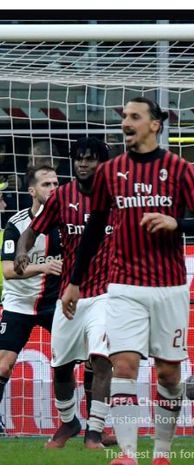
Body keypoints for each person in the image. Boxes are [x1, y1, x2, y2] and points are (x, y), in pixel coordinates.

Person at [61, 97, 194, 465]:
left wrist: (177, 223)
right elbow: (95, 229)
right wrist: (74, 281)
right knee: (125, 365)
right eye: (124, 117)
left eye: (134, 117)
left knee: (168, 373)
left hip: (169, 287)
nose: (126, 123)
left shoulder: (179, 169)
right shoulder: (109, 171)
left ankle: (161, 454)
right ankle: (128, 454)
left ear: (154, 125)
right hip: (123, 285)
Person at [14, 137, 115, 449]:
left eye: (90, 159)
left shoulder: (117, 197)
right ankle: (69, 422)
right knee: (61, 366)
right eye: (79, 158)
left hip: (106, 293)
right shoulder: (63, 197)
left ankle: (95, 432)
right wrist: (22, 251)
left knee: (100, 360)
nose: (83, 164)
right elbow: (32, 231)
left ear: (103, 164)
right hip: (69, 296)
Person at [0, 164, 61, 435]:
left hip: (54, 303)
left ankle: (89, 427)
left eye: (56, 184)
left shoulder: (66, 222)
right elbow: (8, 271)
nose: (53, 188)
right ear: (32, 191)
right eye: (47, 184)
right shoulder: (16, 224)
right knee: (3, 362)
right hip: (19, 303)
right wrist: (43, 267)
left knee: (78, 359)